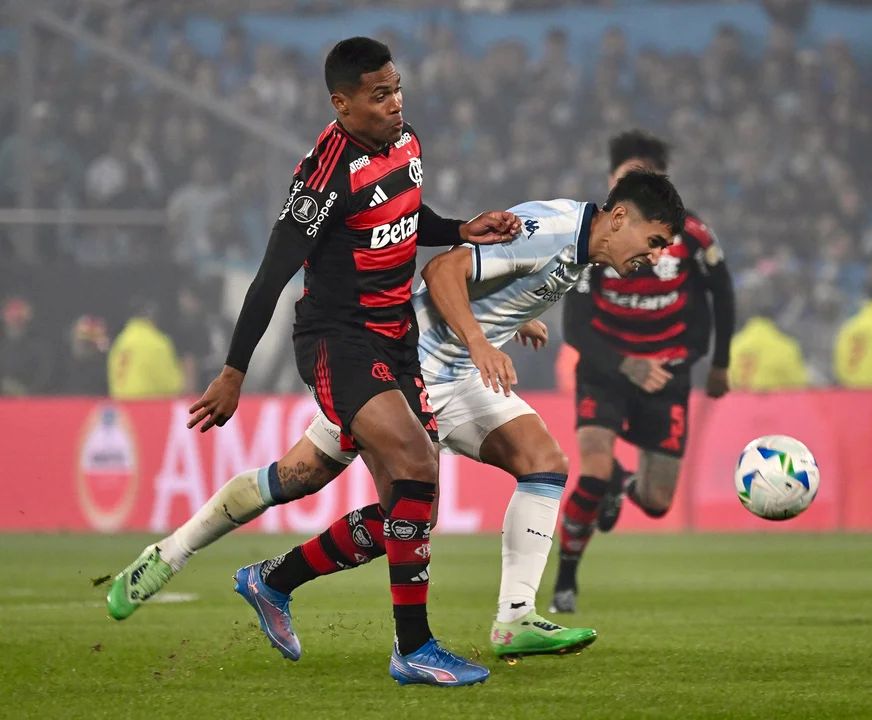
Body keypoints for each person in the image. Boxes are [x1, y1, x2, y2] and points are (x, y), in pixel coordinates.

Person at [105, 170, 683, 669]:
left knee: (543, 464)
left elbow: (499, 280)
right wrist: (482, 340)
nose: (654, 256)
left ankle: (516, 619)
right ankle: (188, 557)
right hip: (411, 369)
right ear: (620, 217)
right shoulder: (552, 231)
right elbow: (443, 272)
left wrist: (513, 319)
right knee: (307, 482)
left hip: (458, 376)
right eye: (653, 241)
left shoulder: (582, 244)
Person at [107, 37, 519, 688]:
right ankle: (413, 648)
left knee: (407, 511)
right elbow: (272, 273)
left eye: (397, 88)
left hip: (395, 337)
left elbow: (408, 219)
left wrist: (462, 228)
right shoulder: (325, 173)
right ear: (342, 103)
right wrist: (234, 371)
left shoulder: (407, 142)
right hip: (338, 337)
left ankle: (273, 580)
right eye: (379, 95)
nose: (394, 103)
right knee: (415, 464)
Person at [550, 130, 735, 614]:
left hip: (666, 374)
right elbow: (574, 325)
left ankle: (624, 484)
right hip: (607, 370)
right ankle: (565, 581)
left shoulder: (690, 235)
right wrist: (624, 364)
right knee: (591, 466)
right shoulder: (591, 235)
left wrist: (717, 362)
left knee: (656, 501)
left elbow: (721, 292)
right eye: (623, 177)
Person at [107, 298, 183, 400]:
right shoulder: (158, 342)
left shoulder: (120, 341)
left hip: (121, 408)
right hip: (147, 407)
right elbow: (171, 385)